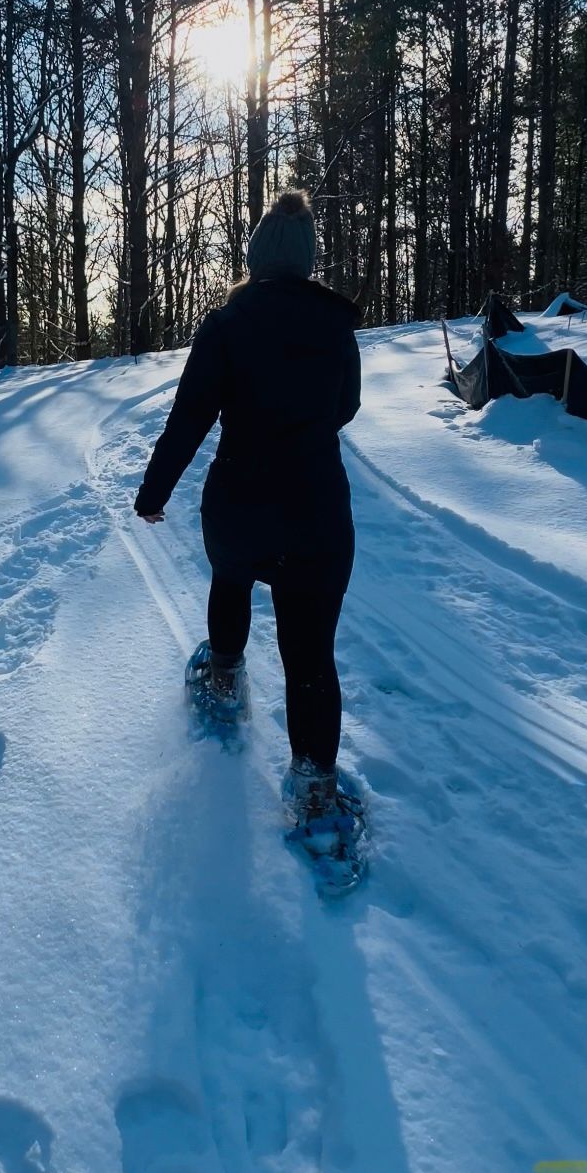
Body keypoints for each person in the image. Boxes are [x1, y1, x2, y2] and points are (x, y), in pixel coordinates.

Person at [133, 188, 362, 824]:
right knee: (311, 651)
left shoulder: (228, 322)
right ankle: (314, 790)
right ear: (309, 258)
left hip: (239, 502)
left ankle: (225, 678)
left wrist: (154, 494)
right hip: (316, 509)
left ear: (257, 254)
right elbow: (346, 407)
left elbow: (190, 417)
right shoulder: (336, 323)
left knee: (231, 581)